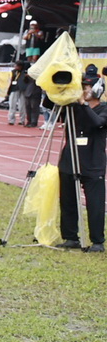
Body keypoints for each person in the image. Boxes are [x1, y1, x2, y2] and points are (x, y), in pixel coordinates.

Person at [55, 74, 107, 252]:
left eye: (86, 86)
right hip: (70, 160)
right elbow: (48, 106)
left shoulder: (103, 109)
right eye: (82, 86)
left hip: (93, 163)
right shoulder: (73, 107)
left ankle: (97, 241)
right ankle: (70, 237)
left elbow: (97, 123)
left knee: (95, 204)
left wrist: (83, 105)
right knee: (67, 200)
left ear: (97, 89)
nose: (83, 90)